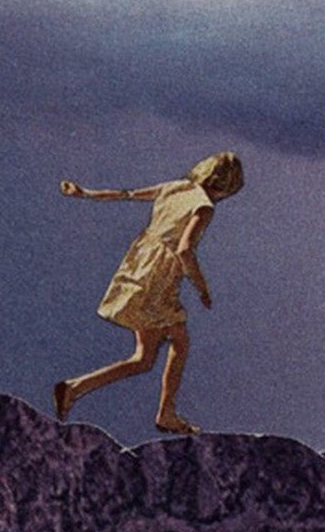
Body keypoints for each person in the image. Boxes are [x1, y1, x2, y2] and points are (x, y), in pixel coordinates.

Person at [53, 151, 244, 435]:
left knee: (144, 358)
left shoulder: (175, 187)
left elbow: (127, 194)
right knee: (178, 340)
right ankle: (166, 413)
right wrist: (201, 287)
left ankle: (74, 388)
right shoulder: (204, 207)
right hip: (159, 276)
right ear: (226, 187)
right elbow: (184, 250)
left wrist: (85, 192)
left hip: (140, 262)